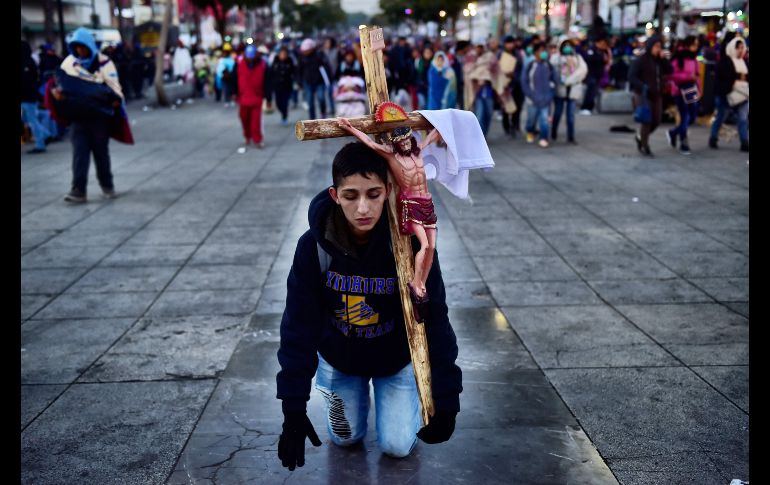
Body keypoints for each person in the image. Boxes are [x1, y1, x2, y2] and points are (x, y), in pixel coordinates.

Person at [275, 141, 462, 470]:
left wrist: (447, 399)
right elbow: (297, 326)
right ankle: (348, 398)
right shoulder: (313, 248)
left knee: (397, 445)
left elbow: (436, 318)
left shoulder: (410, 246)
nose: (363, 208)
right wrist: (293, 408)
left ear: (388, 190)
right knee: (345, 438)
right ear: (335, 195)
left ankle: (400, 403)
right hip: (339, 360)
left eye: (373, 194)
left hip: (395, 360)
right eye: (351, 196)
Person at [50, 27, 124, 203]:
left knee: (101, 154)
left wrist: (107, 97)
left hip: (99, 119)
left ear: (90, 46)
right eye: (76, 47)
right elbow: (62, 85)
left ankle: (107, 185)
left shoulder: (104, 63)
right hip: (78, 118)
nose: (80, 51)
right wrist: (59, 95)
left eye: (83, 47)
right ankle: (78, 190)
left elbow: (115, 89)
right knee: (79, 154)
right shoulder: (69, 64)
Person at [628, 35, 672, 157]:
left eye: (660, 46)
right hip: (643, 94)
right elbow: (631, 76)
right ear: (650, 46)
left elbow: (670, 71)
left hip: (657, 94)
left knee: (657, 120)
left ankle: (640, 137)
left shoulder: (659, 61)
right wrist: (643, 86)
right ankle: (645, 145)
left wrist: (664, 59)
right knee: (647, 120)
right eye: (656, 46)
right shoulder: (641, 60)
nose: (658, 49)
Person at [709, 35, 749, 152]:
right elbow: (724, 77)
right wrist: (738, 76)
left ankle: (744, 142)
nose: (741, 50)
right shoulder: (725, 61)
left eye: (743, 47)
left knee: (742, 119)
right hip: (726, 95)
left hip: (743, 95)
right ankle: (713, 137)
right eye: (739, 48)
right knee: (721, 117)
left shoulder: (744, 62)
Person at [666, 36, 701, 155]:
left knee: (692, 117)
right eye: (694, 45)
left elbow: (697, 76)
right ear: (687, 45)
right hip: (679, 91)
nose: (696, 47)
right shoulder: (678, 58)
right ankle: (684, 143)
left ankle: (674, 133)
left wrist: (699, 90)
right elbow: (671, 75)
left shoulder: (694, 59)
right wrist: (687, 77)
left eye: (697, 45)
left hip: (691, 91)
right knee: (685, 116)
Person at [234, 44, 272, 149]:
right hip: (243, 97)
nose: (250, 59)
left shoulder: (263, 65)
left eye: (252, 57)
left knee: (256, 121)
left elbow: (268, 83)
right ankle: (247, 136)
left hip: (257, 97)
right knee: (243, 118)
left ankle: (257, 139)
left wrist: (268, 99)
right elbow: (234, 79)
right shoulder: (239, 64)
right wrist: (233, 93)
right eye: (248, 57)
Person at [550, 38, 588, 143]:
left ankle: (571, 136)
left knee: (570, 116)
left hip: (572, 90)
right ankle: (553, 132)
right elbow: (552, 68)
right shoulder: (556, 58)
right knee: (557, 113)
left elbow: (583, 71)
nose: (567, 48)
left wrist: (570, 80)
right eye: (565, 45)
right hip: (560, 90)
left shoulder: (578, 58)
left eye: (569, 45)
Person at [522, 41, 556, 148]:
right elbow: (524, 82)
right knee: (531, 120)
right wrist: (531, 95)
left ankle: (543, 137)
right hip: (532, 99)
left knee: (544, 120)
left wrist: (550, 95)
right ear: (535, 53)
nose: (543, 53)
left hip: (546, 100)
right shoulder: (530, 65)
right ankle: (530, 131)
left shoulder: (549, 65)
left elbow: (554, 81)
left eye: (544, 50)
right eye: (540, 51)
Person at [21, 40, 50, 154]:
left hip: (27, 96)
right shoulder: (29, 61)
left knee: (32, 120)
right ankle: (46, 135)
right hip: (29, 96)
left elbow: (26, 82)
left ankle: (40, 144)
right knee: (29, 119)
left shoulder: (26, 63)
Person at [298, 38, 332, 119]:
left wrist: (328, 80)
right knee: (310, 102)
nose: (305, 52)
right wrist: (300, 82)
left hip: (319, 82)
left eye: (307, 50)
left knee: (321, 99)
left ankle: (323, 113)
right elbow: (299, 71)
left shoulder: (319, 56)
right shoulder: (302, 58)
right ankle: (312, 118)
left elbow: (326, 68)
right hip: (307, 82)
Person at [579, 35, 610, 115]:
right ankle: (585, 107)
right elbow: (588, 59)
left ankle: (590, 107)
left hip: (598, 75)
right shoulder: (592, 50)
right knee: (590, 91)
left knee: (593, 92)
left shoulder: (603, 51)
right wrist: (601, 58)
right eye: (602, 43)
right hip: (590, 74)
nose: (604, 45)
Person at [270, 46, 295, 126]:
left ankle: (284, 117)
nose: (283, 56)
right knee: (278, 103)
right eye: (281, 54)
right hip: (277, 86)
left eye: (285, 54)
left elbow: (294, 72)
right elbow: (271, 73)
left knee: (285, 102)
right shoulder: (275, 61)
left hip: (287, 86)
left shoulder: (290, 61)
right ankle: (282, 112)